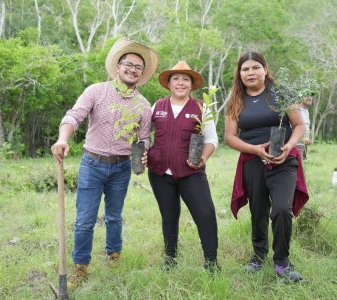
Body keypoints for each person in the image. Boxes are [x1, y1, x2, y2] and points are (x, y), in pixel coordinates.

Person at [50, 39, 158, 285]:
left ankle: (114, 255)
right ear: (118, 67)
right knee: (85, 219)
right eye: (128, 64)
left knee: (114, 216)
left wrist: (143, 154)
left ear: (142, 74)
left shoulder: (143, 105)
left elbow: (143, 138)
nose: (133, 69)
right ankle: (80, 267)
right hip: (92, 164)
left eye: (138, 67)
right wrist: (62, 138)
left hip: (121, 168)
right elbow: (74, 116)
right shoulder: (96, 91)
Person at [224, 51, 309, 282]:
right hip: (252, 161)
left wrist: (289, 145)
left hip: (283, 160)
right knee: (258, 211)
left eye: (255, 68)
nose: (250, 73)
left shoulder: (280, 94)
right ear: (239, 74)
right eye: (245, 69)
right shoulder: (236, 99)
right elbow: (230, 137)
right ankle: (258, 257)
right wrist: (254, 149)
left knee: (282, 209)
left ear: (265, 69)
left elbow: (299, 125)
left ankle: (282, 262)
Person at [147, 61, 220, 272]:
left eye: (185, 79)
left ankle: (211, 262)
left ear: (191, 84)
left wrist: (202, 158)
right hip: (160, 171)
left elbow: (212, 139)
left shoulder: (201, 108)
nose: (180, 83)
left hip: (191, 172)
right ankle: (170, 258)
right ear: (169, 83)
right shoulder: (157, 106)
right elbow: (143, 134)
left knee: (205, 213)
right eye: (176, 78)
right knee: (169, 215)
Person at [296, 93, 314, 159]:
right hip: (295, 146)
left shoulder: (306, 111)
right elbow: (293, 128)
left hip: (302, 145)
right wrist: (303, 139)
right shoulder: (296, 110)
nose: (309, 97)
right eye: (306, 95)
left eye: (311, 95)